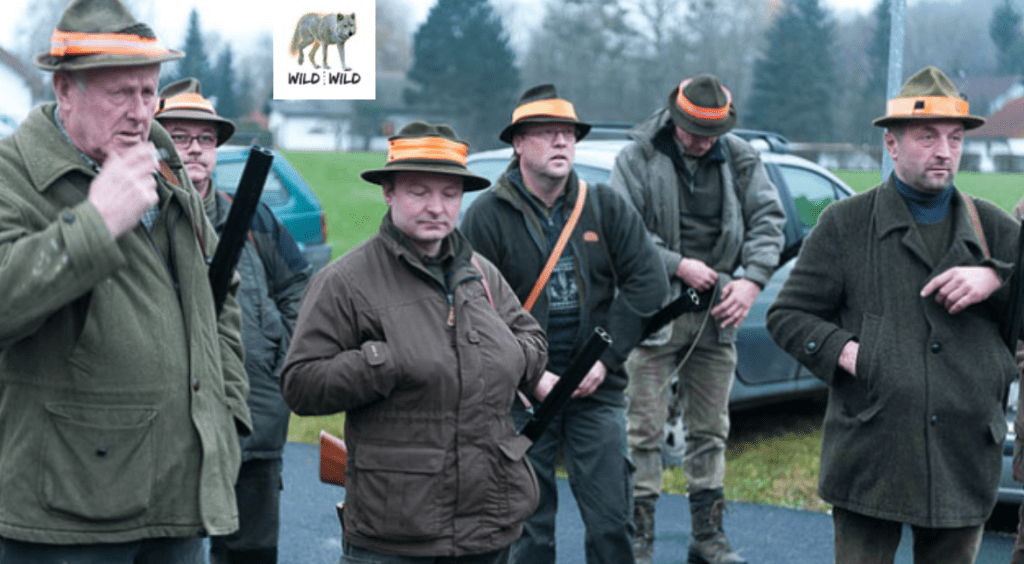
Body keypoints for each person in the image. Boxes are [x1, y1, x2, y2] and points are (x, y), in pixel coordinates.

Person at [0, 0, 252, 562]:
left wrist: (227, 413)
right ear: (64, 90)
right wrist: (96, 223)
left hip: (180, 493)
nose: (142, 113)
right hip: (66, 508)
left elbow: (219, 295)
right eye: (121, 93)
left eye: (148, 92)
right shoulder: (11, 174)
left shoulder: (164, 168)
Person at [767, 66, 1018, 564]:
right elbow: (789, 314)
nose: (944, 151)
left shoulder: (994, 228)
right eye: (926, 136)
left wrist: (998, 277)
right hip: (872, 450)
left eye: (953, 137)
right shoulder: (845, 224)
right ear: (892, 145)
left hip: (962, 455)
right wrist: (853, 353)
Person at [280, 121, 548, 563]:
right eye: (419, 191)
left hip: (488, 525)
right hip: (395, 535)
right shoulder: (345, 282)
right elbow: (301, 384)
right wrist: (383, 361)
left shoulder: (480, 273)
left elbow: (531, 339)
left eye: (449, 194)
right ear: (389, 193)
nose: (436, 207)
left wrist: (506, 355)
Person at [461, 84, 669, 564]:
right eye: (547, 133)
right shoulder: (486, 217)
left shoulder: (604, 206)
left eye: (568, 135)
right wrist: (529, 375)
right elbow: (474, 307)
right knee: (527, 528)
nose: (561, 143)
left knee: (611, 523)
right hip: (519, 397)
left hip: (595, 389)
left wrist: (606, 357)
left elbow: (648, 282)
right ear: (518, 143)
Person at [609, 73, 785, 564]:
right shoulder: (636, 159)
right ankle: (638, 539)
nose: (704, 141)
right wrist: (676, 264)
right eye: (694, 131)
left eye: (713, 132)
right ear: (675, 118)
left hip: (717, 317)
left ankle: (708, 538)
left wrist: (751, 281)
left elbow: (769, 221)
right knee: (641, 431)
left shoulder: (742, 158)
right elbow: (624, 231)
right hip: (653, 315)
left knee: (711, 430)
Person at [154, 78, 313, 564]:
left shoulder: (255, 219)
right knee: (166, 548)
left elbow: (298, 290)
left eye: (205, 139)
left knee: (250, 552)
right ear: (157, 143)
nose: (195, 150)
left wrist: (278, 357)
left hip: (255, 415)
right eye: (180, 137)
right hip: (165, 423)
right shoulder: (142, 217)